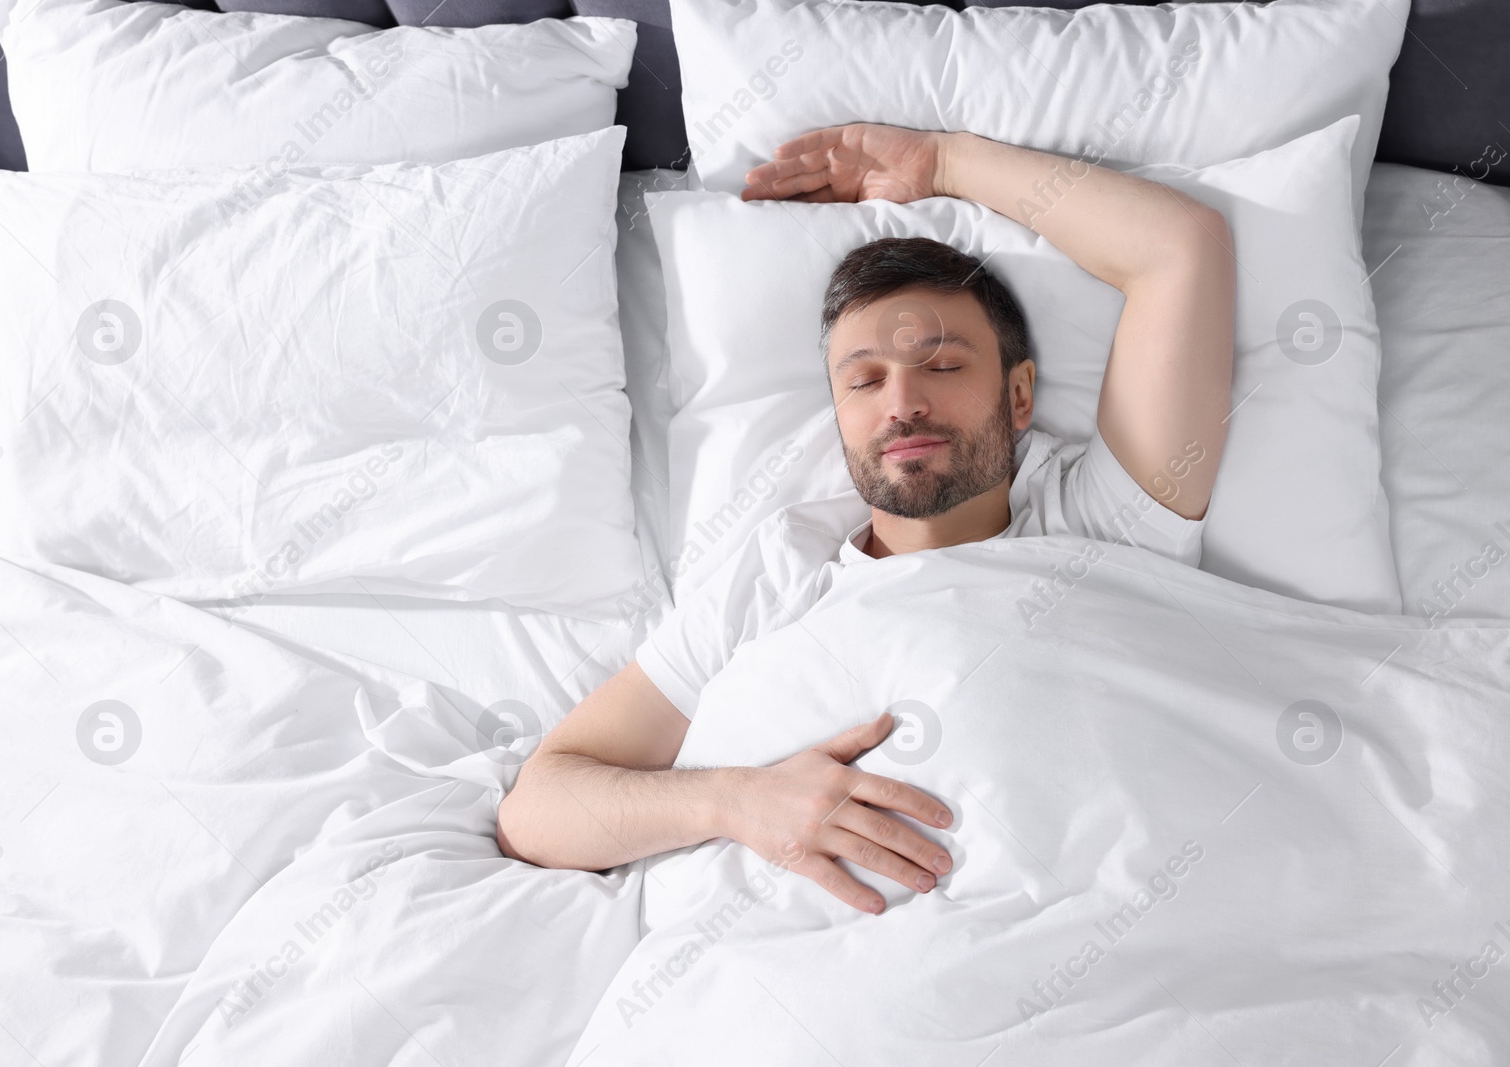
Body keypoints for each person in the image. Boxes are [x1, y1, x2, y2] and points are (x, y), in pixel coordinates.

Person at [496, 122, 1236, 915]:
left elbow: (1181, 246)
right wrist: (734, 801)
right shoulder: (782, 566)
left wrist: (944, 163)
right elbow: (537, 805)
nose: (903, 403)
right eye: (863, 381)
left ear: (1019, 396)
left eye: (944, 366)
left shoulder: (1100, 522)